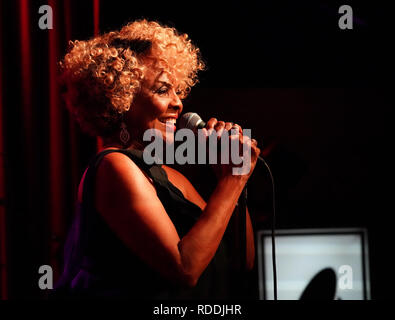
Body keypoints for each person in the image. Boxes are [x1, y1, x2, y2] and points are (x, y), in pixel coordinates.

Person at [53, 19, 260, 299]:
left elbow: (242, 260)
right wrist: (233, 180)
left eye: (178, 90)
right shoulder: (114, 166)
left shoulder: (172, 177)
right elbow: (184, 269)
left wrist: (228, 175)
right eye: (163, 90)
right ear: (120, 99)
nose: (178, 103)